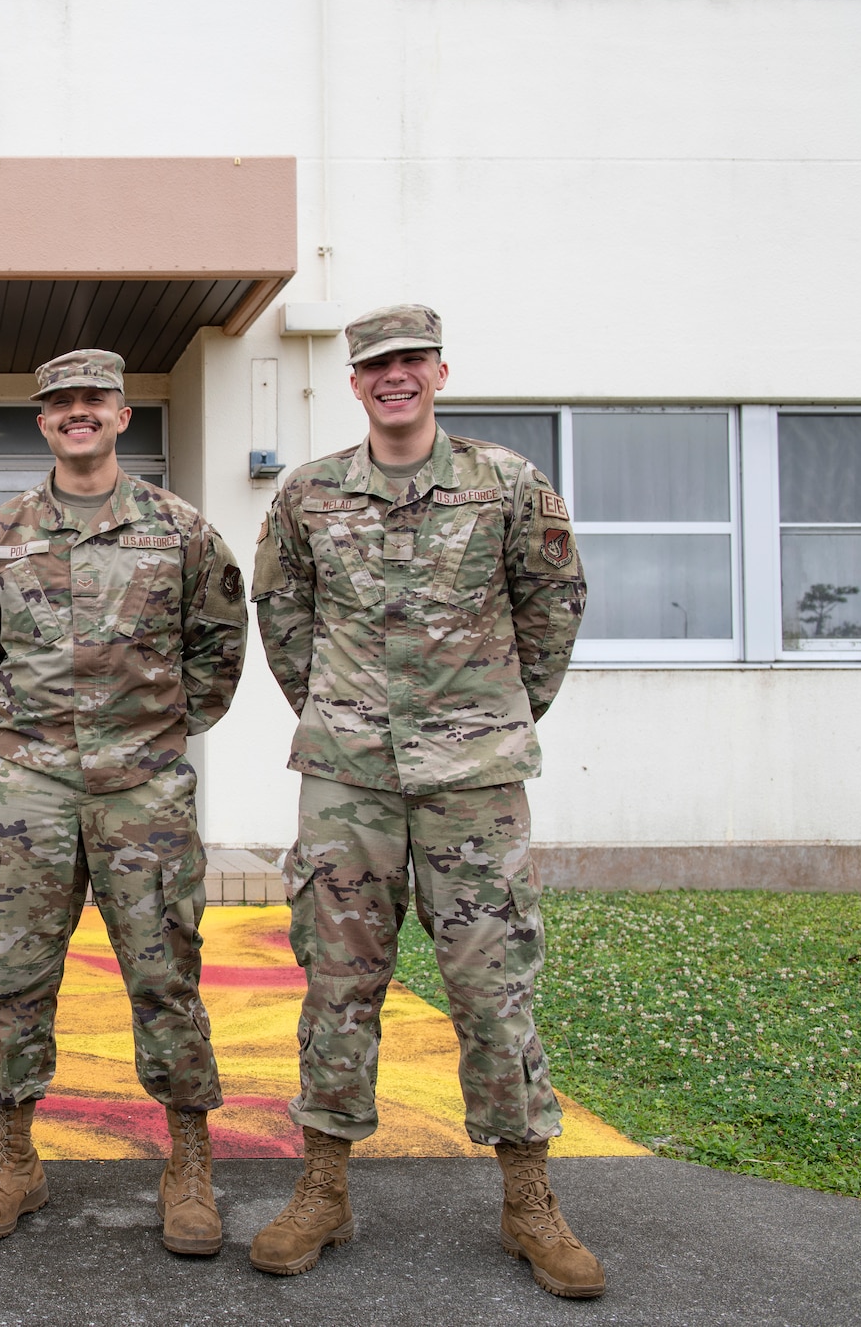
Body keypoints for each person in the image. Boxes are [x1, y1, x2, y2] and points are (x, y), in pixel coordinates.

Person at [247, 305, 601, 1297]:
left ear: (440, 371)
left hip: (472, 782)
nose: (393, 376)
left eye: (410, 361)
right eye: (375, 365)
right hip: (348, 780)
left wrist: (492, 715)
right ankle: (323, 1188)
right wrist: (340, 711)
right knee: (336, 983)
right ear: (354, 382)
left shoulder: (506, 484)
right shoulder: (309, 493)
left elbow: (552, 607)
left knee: (493, 987)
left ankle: (527, 1200)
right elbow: (282, 615)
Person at [0, 350, 249, 1254]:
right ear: (43, 421)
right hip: (29, 789)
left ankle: (188, 1165)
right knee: (17, 976)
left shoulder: (181, 530)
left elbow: (220, 645)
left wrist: (155, 735)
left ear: (123, 415)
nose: (78, 413)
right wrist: (38, 739)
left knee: (165, 976)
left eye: (95, 400)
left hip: (142, 789)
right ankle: (14, 1158)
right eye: (61, 403)